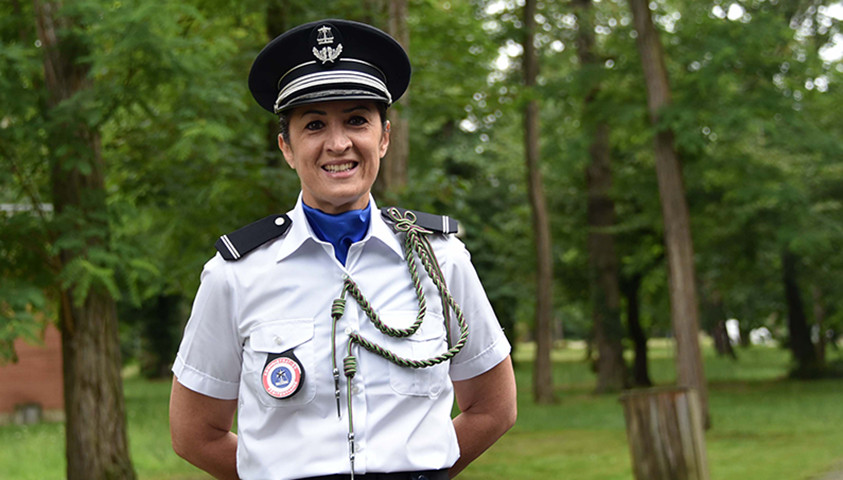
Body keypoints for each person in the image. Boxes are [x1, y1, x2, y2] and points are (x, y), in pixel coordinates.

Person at [169, 18, 517, 480]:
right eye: (314, 125)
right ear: (287, 148)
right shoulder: (236, 273)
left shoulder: (440, 260)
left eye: (357, 120)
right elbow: (195, 432)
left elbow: (494, 407)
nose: (338, 144)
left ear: (384, 137)